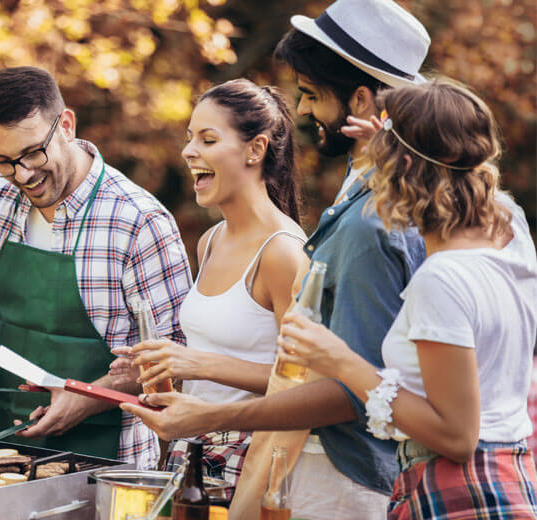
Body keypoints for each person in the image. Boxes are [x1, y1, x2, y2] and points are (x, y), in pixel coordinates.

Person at [122, 0, 430, 518]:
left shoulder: (367, 224)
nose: (303, 110)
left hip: (340, 477)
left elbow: (349, 389)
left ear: (358, 99)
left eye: (310, 94)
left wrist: (205, 406)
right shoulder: (362, 206)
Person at [278, 79, 537, 518]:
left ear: (407, 167)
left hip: (460, 494)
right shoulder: (511, 232)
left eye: (384, 156)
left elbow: (457, 436)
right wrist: (396, 139)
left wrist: (341, 361)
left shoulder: (441, 279)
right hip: (507, 481)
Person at [0, 66, 191, 468]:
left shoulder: (139, 221)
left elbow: (174, 358)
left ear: (66, 125)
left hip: (109, 462)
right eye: (3, 161)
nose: (22, 175)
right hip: (5, 449)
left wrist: (86, 399)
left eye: (33, 152)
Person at [109, 79, 308, 488]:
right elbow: (213, 356)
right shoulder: (211, 240)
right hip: (192, 448)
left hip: (252, 456)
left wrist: (196, 362)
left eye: (208, 138)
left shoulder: (283, 253)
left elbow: (304, 382)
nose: (188, 151)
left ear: (256, 150)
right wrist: (163, 365)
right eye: (189, 138)